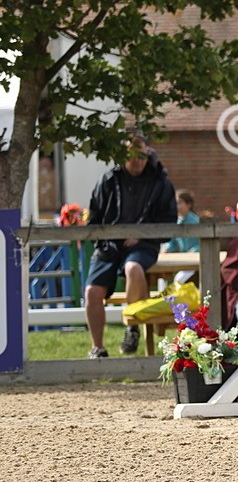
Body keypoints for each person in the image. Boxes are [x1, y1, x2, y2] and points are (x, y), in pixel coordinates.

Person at [84, 132, 177, 358]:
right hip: (109, 246)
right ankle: (98, 348)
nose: (137, 160)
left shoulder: (160, 182)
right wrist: (107, 239)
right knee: (92, 292)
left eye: (141, 155)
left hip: (144, 245)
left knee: (133, 268)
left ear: (148, 154)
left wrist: (141, 236)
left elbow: (169, 221)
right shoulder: (108, 179)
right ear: (123, 155)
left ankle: (132, 328)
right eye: (132, 155)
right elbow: (93, 218)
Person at [164, 188, 201, 285]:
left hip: (196, 261)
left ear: (189, 204)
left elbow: (201, 244)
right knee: (163, 279)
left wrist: (193, 251)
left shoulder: (195, 222)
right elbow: (172, 242)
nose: (177, 206)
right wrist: (167, 248)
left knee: (179, 280)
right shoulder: (176, 222)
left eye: (180, 203)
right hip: (181, 260)